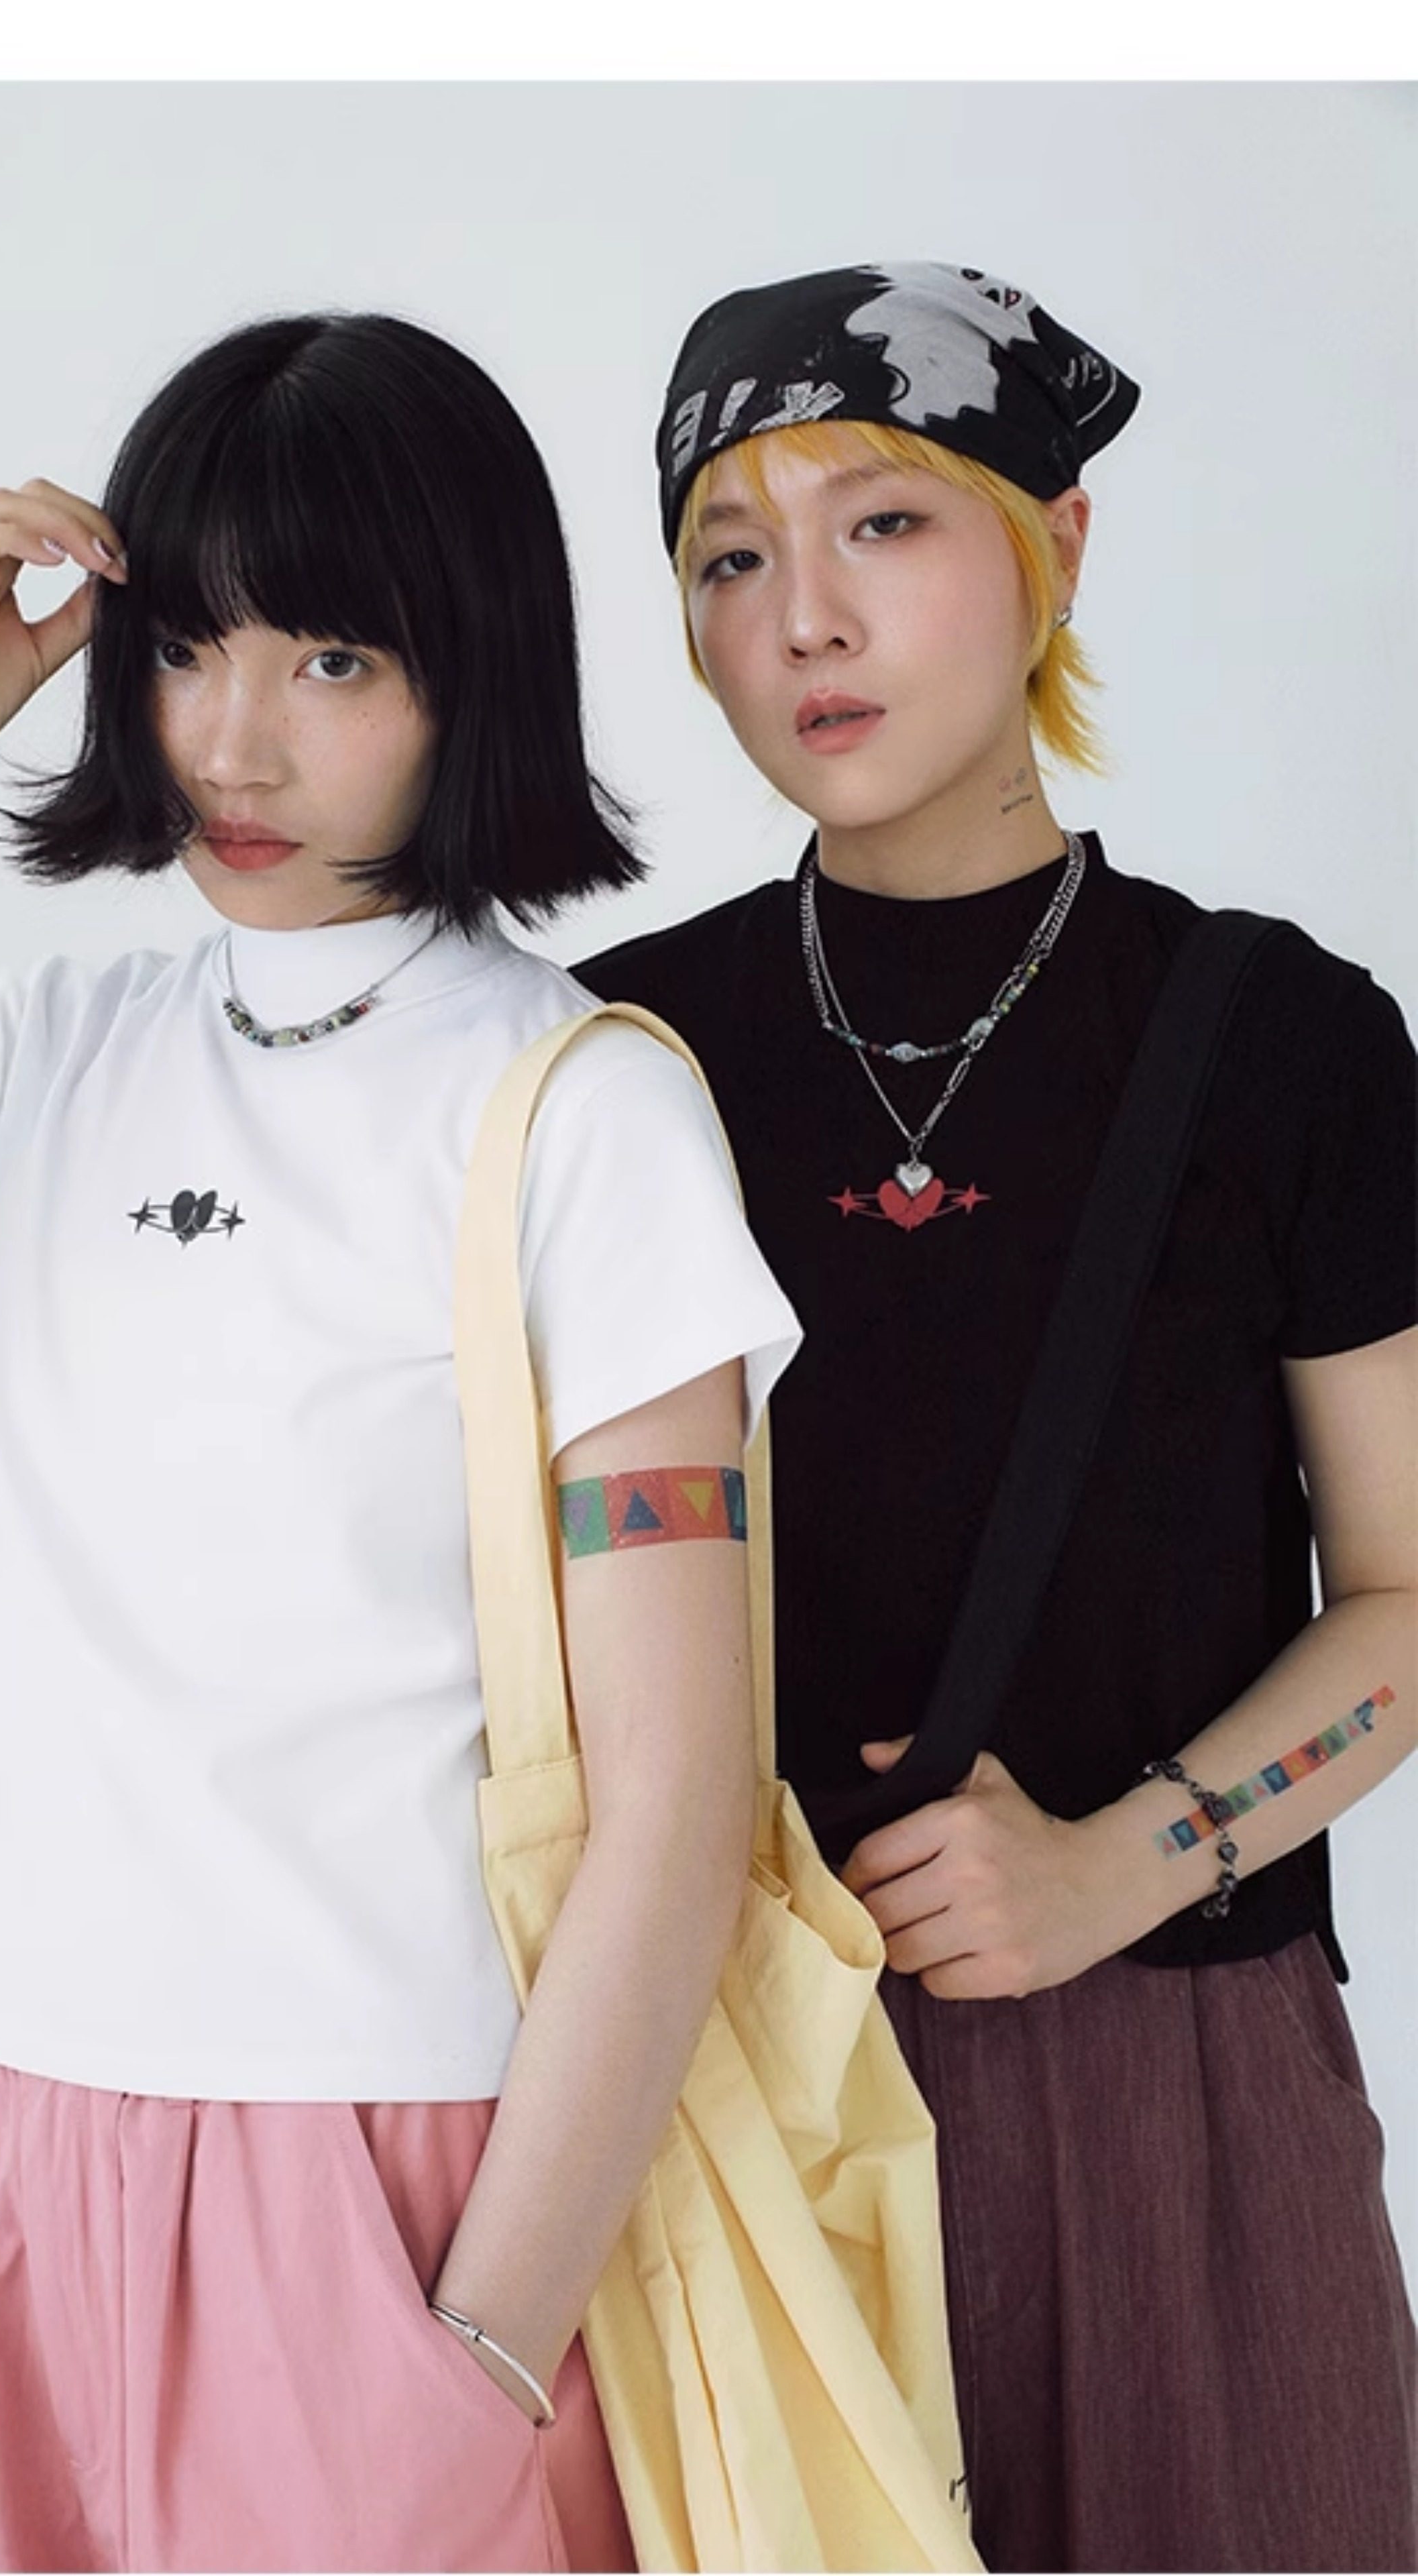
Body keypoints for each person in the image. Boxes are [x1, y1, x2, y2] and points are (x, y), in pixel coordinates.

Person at [0, 311, 802, 2574]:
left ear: (469, 672)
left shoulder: (582, 1116)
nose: (236, 741)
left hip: (378, 2181)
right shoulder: (47, 1052)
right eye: (189, 648)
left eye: (333, 660)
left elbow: (679, 1801)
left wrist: (486, 2347)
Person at [576, 260, 1418, 2575]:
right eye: (728, 560)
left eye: (884, 524)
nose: (805, 619)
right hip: (720, 2084)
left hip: (1182, 2089)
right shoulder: (615, 1057)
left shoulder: (1282, 1041)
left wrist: (1119, 1863)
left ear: (1057, 543)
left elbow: (1409, 1592)